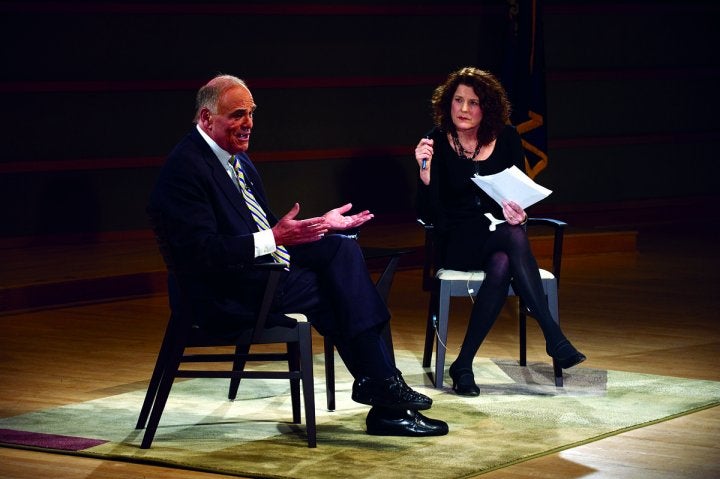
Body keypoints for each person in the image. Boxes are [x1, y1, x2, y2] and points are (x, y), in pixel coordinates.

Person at [148, 74, 447, 436]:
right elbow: (201, 253)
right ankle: (386, 397)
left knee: (340, 248)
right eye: (238, 115)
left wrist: (321, 224)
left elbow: (266, 226)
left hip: (256, 273)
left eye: (252, 113)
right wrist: (274, 238)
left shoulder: (237, 160)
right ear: (207, 119)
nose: (248, 124)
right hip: (223, 293)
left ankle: (384, 392)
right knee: (343, 294)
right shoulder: (185, 169)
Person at [414, 67, 586, 396]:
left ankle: (462, 365)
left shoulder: (506, 137)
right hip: (457, 240)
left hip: (497, 236)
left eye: (473, 103)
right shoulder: (434, 140)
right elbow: (427, 213)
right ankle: (553, 335)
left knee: (504, 259)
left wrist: (520, 213)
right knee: (512, 238)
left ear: (487, 108)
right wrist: (425, 175)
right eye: (458, 100)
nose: (463, 109)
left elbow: (518, 190)